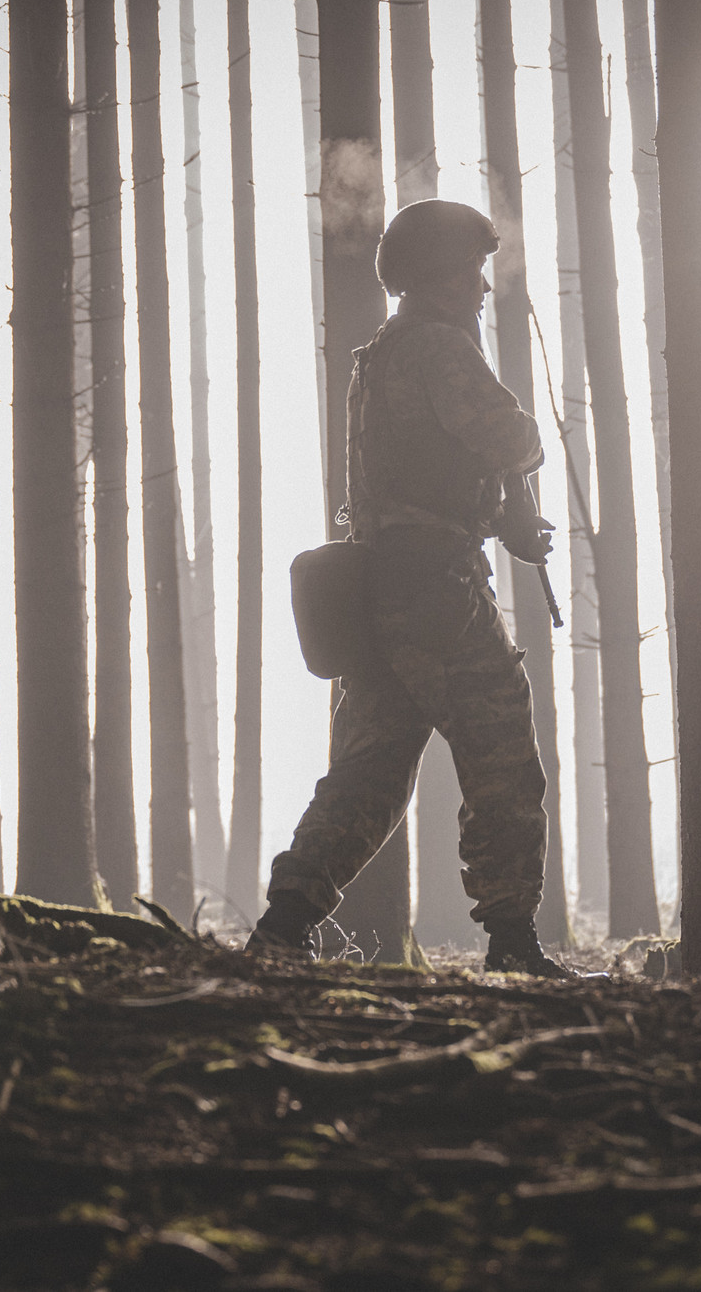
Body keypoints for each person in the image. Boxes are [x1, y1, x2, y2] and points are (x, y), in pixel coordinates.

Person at [249, 200, 575, 977]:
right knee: (501, 751)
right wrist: (516, 456)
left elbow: (418, 476)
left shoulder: (380, 355)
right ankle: (512, 939)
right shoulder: (439, 349)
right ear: (439, 277)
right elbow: (509, 439)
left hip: (383, 591)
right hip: (438, 590)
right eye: (472, 271)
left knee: (369, 771)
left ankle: (282, 923)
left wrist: (502, 520)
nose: (484, 288)